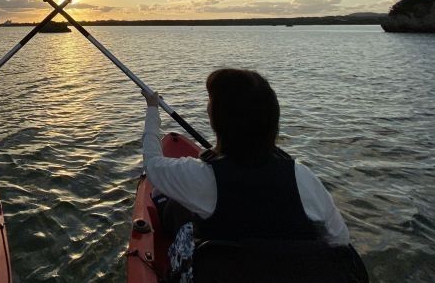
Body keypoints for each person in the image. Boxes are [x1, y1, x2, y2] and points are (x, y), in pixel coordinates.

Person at [142, 68, 354, 282]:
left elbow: (152, 164)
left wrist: (152, 109)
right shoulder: (302, 177)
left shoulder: (203, 177)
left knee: (178, 212)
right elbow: (339, 239)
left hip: (222, 271)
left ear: (220, 121)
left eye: (210, 103)